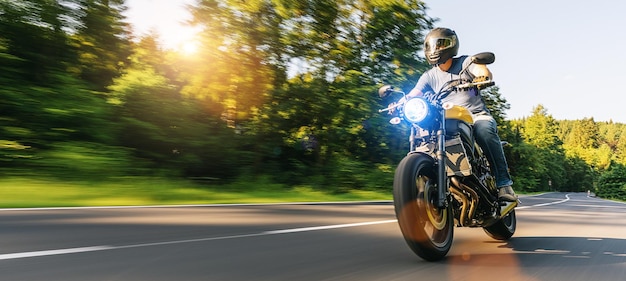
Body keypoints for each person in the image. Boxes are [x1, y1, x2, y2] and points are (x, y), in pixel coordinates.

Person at [397, 27, 517, 202]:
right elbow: (415, 93)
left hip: (475, 116)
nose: (436, 50)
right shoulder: (428, 76)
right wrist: (401, 102)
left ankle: (504, 183)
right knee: (419, 131)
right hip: (444, 119)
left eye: (441, 45)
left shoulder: (466, 63)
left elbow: (481, 69)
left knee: (484, 130)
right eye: (432, 46)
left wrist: (482, 77)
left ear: (452, 45)